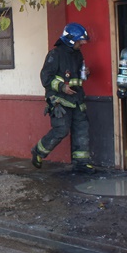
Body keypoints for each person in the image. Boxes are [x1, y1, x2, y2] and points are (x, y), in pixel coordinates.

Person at [31, 23, 95, 174]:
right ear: (71, 40)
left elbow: (77, 77)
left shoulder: (78, 54)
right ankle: (38, 152)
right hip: (59, 99)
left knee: (82, 130)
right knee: (61, 130)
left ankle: (81, 164)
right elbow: (45, 77)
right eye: (79, 41)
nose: (82, 44)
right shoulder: (55, 54)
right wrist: (62, 87)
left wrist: (86, 72)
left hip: (77, 99)